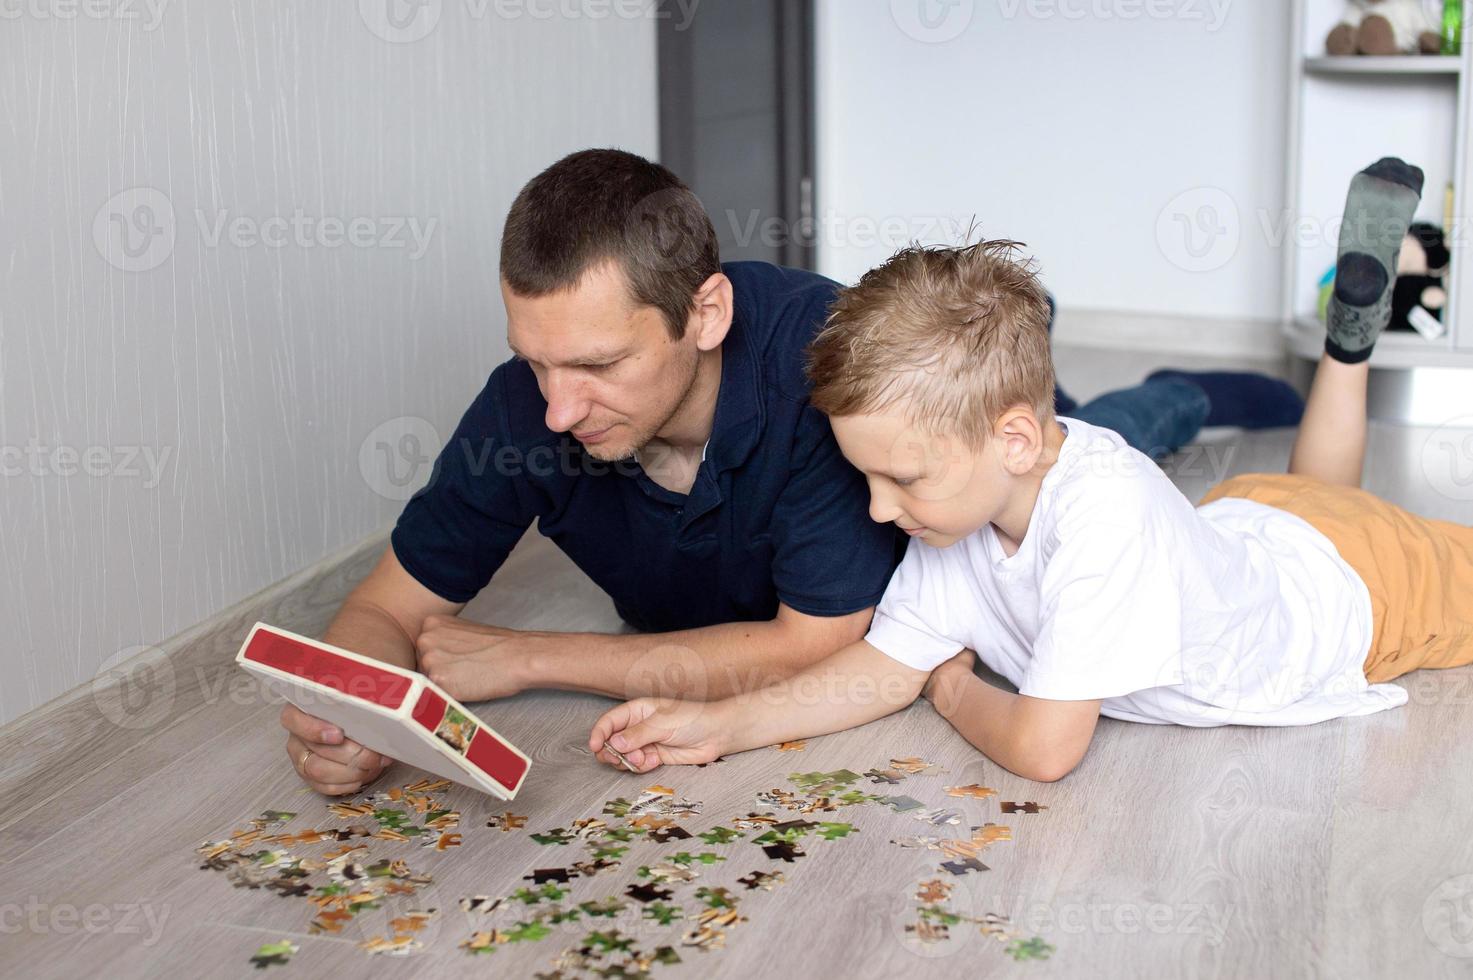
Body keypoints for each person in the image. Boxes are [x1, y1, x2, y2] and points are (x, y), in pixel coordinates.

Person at [282, 148, 1301, 795]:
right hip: (928, 478)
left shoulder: (826, 386)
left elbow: (813, 646)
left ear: (707, 314)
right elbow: (387, 605)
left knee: (1100, 433)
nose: (555, 407)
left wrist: (529, 657)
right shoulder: (533, 403)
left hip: (999, 444)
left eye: (597, 365)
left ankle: (1177, 391)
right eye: (534, 358)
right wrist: (352, 704)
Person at [588, 158, 1473, 782]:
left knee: (1346, 516)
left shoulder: (1102, 517)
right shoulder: (953, 513)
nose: (880, 509)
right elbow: (874, 670)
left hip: (1366, 593)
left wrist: (952, 689)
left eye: (902, 479)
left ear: (1014, 440)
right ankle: (1348, 343)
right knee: (1318, 494)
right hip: (1251, 525)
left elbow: (1045, 751)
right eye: (867, 479)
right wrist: (716, 727)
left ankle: (1352, 345)